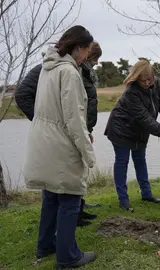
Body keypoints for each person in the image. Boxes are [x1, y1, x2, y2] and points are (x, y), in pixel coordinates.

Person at [22, 25, 97, 269]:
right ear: (78, 48)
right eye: (86, 51)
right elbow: (74, 119)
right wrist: (88, 154)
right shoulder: (69, 72)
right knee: (70, 198)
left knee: (52, 196)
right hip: (61, 142)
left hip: (43, 140)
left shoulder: (48, 67)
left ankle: (45, 245)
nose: (87, 57)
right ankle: (68, 256)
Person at [15, 41, 103, 227]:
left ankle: (79, 209)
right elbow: (23, 95)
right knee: (61, 182)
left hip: (80, 130)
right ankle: (69, 226)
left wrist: (88, 130)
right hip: (63, 135)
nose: (93, 63)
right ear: (82, 52)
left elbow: (83, 104)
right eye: (92, 58)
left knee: (75, 176)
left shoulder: (81, 71)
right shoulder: (51, 70)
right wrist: (45, 121)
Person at [104, 60, 160, 212]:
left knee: (140, 160)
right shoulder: (131, 92)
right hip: (121, 128)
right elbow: (144, 118)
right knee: (122, 162)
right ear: (136, 79)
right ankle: (123, 200)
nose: (147, 83)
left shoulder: (156, 83)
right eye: (143, 81)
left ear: (153, 76)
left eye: (149, 80)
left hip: (139, 129)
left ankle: (146, 194)